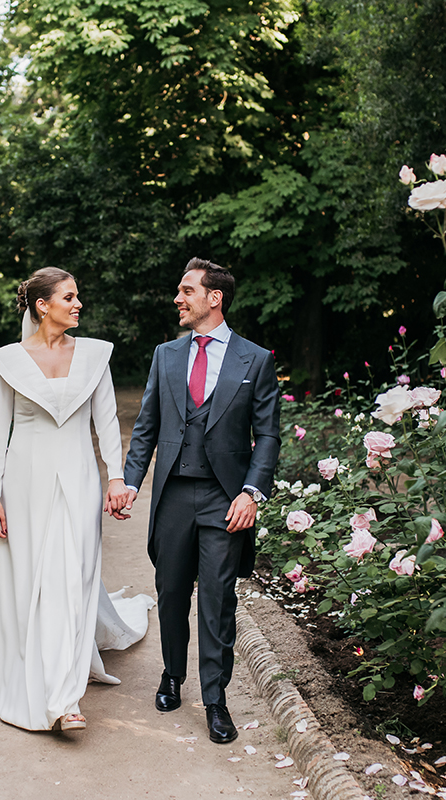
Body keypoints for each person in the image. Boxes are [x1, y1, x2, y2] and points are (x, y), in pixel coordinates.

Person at [0, 267, 155, 733]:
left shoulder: (94, 355)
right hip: (24, 482)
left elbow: (108, 422)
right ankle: (27, 676)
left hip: (78, 478)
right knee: (29, 579)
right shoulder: (8, 361)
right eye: (70, 297)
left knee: (73, 579)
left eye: (78, 297)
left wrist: (117, 477)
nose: (78, 305)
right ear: (42, 305)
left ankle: (64, 698)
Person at [109, 258, 280, 744]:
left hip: (226, 499)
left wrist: (252, 491)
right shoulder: (165, 355)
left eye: (187, 291)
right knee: (171, 593)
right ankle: (171, 675)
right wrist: (131, 482)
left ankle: (215, 698)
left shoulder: (255, 359)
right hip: (174, 496)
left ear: (214, 297)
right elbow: (145, 428)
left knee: (218, 601)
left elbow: (267, 436)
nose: (178, 298)